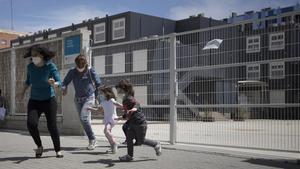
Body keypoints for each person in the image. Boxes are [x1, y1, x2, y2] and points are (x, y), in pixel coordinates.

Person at [21, 44, 63, 158]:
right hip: (34, 101)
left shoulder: (50, 66)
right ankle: (39, 146)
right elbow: (28, 81)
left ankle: (58, 149)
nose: (33, 57)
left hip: (49, 100)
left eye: (36, 55)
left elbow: (60, 82)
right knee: (31, 124)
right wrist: (21, 92)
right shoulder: (30, 67)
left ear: (42, 55)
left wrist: (54, 83)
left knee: (52, 126)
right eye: (32, 55)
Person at [115, 79, 162, 162]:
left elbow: (136, 104)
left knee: (141, 141)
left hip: (140, 123)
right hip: (132, 122)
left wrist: (134, 108)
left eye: (118, 90)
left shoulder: (129, 98)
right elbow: (128, 113)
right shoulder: (125, 99)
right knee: (129, 138)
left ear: (124, 89)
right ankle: (130, 156)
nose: (117, 92)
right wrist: (121, 117)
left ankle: (156, 144)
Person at [61, 54, 101, 150]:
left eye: (82, 65)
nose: (80, 67)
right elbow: (65, 82)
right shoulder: (73, 72)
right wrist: (64, 88)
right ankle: (92, 139)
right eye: (78, 65)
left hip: (89, 97)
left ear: (85, 64)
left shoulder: (90, 70)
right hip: (78, 99)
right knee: (83, 120)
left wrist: (98, 97)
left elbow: (98, 83)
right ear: (76, 64)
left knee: (84, 118)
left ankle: (92, 139)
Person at [88, 86, 123, 154]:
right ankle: (112, 146)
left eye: (101, 93)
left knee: (106, 131)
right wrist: (90, 109)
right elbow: (99, 110)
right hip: (107, 119)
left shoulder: (111, 100)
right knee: (107, 133)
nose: (100, 95)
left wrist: (124, 107)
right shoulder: (103, 103)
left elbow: (117, 104)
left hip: (112, 119)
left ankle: (114, 143)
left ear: (106, 93)